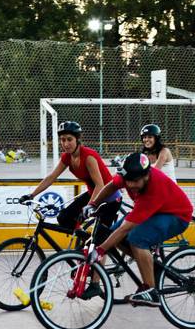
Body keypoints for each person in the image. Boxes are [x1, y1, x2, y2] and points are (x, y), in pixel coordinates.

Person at [18, 121, 121, 299]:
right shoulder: (67, 157)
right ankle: (85, 240)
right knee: (64, 217)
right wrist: (32, 195)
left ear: (78, 139)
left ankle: (96, 284)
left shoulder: (88, 156)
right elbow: (52, 177)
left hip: (109, 199)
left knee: (97, 242)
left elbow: (101, 185)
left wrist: (91, 206)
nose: (65, 144)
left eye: (69, 139)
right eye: (62, 140)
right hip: (93, 194)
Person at [82, 152, 193, 307]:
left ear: (146, 175)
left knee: (136, 239)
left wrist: (100, 251)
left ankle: (151, 291)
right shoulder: (129, 175)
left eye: (135, 181)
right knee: (116, 238)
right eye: (128, 181)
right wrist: (93, 204)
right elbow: (112, 185)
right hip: (156, 212)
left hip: (176, 215)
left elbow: (125, 228)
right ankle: (150, 265)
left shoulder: (154, 188)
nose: (131, 185)